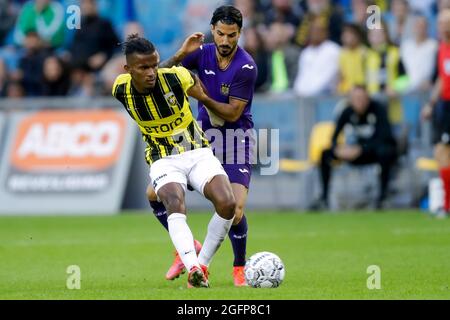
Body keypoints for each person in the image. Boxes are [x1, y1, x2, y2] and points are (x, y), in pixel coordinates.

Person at [112, 34, 237, 288]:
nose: (151, 73)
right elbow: (148, 81)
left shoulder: (177, 77)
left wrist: (181, 60)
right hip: (163, 158)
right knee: (173, 202)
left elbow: (200, 93)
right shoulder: (120, 88)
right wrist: (178, 54)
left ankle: (202, 264)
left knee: (227, 204)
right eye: (143, 67)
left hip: (197, 151)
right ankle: (192, 268)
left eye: (154, 65)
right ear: (128, 70)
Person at [147, 5, 258, 287]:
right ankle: (186, 249)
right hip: (199, 139)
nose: (225, 41)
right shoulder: (201, 53)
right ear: (212, 30)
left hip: (235, 140)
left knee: (236, 209)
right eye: (220, 34)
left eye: (231, 35)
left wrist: (202, 96)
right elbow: (153, 79)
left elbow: (232, 114)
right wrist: (181, 54)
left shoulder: (246, 67)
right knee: (153, 193)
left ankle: (238, 267)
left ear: (239, 33)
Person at [313, 85, 398, 210]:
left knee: (385, 152)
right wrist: (339, 149)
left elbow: (385, 137)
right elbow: (334, 136)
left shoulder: (378, 109)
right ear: (350, 100)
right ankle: (324, 198)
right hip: (354, 152)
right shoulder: (347, 111)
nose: (359, 102)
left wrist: (361, 149)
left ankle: (382, 198)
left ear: (367, 98)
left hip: (373, 151)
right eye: (355, 98)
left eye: (362, 98)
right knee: (325, 154)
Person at [421, 9, 450, 218]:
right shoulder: (441, 48)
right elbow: (442, 78)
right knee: (441, 153)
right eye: (439, 22)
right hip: (444, 106)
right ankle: (447, 204)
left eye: (444, 23)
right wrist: (430, 103)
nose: (439, 26)